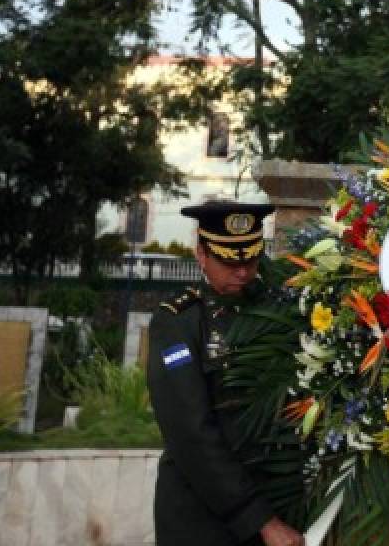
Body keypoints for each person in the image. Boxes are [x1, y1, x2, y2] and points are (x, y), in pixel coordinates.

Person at [147, 196, 305, 546]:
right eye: (228, 259)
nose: (242, 271)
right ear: (201, 254)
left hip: (276, 504)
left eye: (250, 258)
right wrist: (260, 520)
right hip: (203, 519)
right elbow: (191, 433)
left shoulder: (278, 314)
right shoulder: (178, 322)